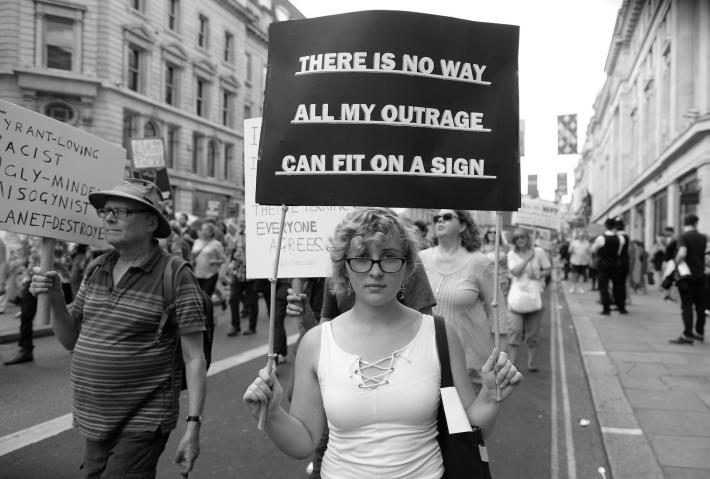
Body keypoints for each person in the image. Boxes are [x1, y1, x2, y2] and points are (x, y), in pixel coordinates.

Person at [244, 207, 522, 478]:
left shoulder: (439, 334)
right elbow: (304, 440)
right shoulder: (316, 342)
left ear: (406, 267)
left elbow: (471, 429)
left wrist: (489, 394)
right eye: (362, 257)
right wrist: (272, 415)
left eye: (389, 256)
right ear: (344, 268)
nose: (375, 270)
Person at [29, 178, 207, 478]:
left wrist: (193, 425)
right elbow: (70, 340)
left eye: (122, 212)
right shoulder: (98, 266)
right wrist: (57, 298)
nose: (109, 217)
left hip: (144, 419)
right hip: (93, 418)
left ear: (151, 223)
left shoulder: (175, 275)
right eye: (107, 211)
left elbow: (194, 357)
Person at [419, 209, 510, 393]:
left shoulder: (479, 262)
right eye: (437, 218)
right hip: (429, 361)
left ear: (462, 225)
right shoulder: (421, 259)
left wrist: (501, 356)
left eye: (447, 217)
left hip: (471, 362)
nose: (440, 220)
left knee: (471, 420)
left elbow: (498, 310)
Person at [506, 228, 551, 372]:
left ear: (528, 238)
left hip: (534, 299)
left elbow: (548, 270)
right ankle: (511, 364)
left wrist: (538, 274)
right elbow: (515, 272)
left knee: (533, 334)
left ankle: (531, 363)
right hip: (516, 299)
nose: (520, 239)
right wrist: (527, 259)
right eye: (517, 237)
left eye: (522, 237)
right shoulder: (512, 254)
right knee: (515, 332)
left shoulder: (539, 252)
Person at [669, 214, 706, 345]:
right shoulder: (703, 237)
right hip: (701, 276)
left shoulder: (683, 237)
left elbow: (682, 253)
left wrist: (674, 265)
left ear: (684, 224)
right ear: (696, 223)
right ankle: (700, 332)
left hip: (686, 277)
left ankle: (688, 335)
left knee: (687, 305)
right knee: (700, 306)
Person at [592, 218, 627, 315]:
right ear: (614, 226)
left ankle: (606, 309)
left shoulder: (601, 238)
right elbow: (619, 252)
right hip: (616, 264)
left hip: (603, 265)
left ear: (606, 226)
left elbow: (594, 249)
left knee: (604, 287)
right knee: (618, 286)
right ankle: (621, 308)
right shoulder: (621, 238)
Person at [192, 222, 226, 298]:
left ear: (211, 232)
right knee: (197, 298)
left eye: (206, 230)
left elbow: (223, 259)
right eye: (202, 229)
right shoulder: (196, 242)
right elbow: (193, 257)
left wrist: (215, 261)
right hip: (197, 274)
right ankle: (221, 297)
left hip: (210, 274)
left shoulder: (217, 244)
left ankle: (220, 298)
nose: (204, 231)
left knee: (205, 297)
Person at [481, 227, 511, 298]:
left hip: (502, 280)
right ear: (487, 234)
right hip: (487, 280)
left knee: (502, 303)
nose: (492, 234)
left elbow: (510, 263)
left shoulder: (505, 247)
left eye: (495, 232)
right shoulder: (482, 248)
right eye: (490, 232)